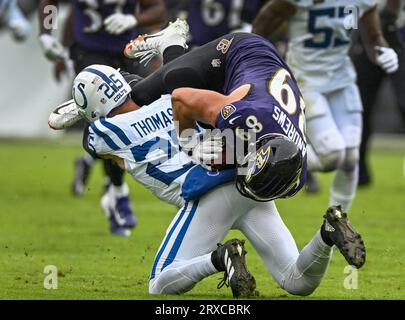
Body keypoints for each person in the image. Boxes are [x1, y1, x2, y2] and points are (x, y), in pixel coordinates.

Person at [48, 19, 366, 297]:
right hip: (247, 176)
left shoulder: (105, 132)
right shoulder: (177, 101)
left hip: (211, 191)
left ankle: (220, 258)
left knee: (159, 283)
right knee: (296, 281)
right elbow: (196, 92)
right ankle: (327, 233)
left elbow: (101, 129)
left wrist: (79, 110)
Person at [252, 0, 399, 213]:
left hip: (343, 81)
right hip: (306, 81)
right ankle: (269, 155)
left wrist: (384, 52)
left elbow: (373, 37)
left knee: (351, 159)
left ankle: (336, 226)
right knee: (333, 155)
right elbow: (257, 34)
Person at [38, 0, 166, 236]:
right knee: (107, 126)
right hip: (90, 55)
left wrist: (134, 20)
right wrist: (47, 35)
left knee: (135, 119)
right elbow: (57, 7)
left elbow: (158, 8)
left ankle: (99, 172)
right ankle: (117, 191)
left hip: (126, 53)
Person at [351, 0, 405, 186]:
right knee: (360, 105)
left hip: (398, 32)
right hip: (366, 34)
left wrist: (390, 15)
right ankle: (359, 171)